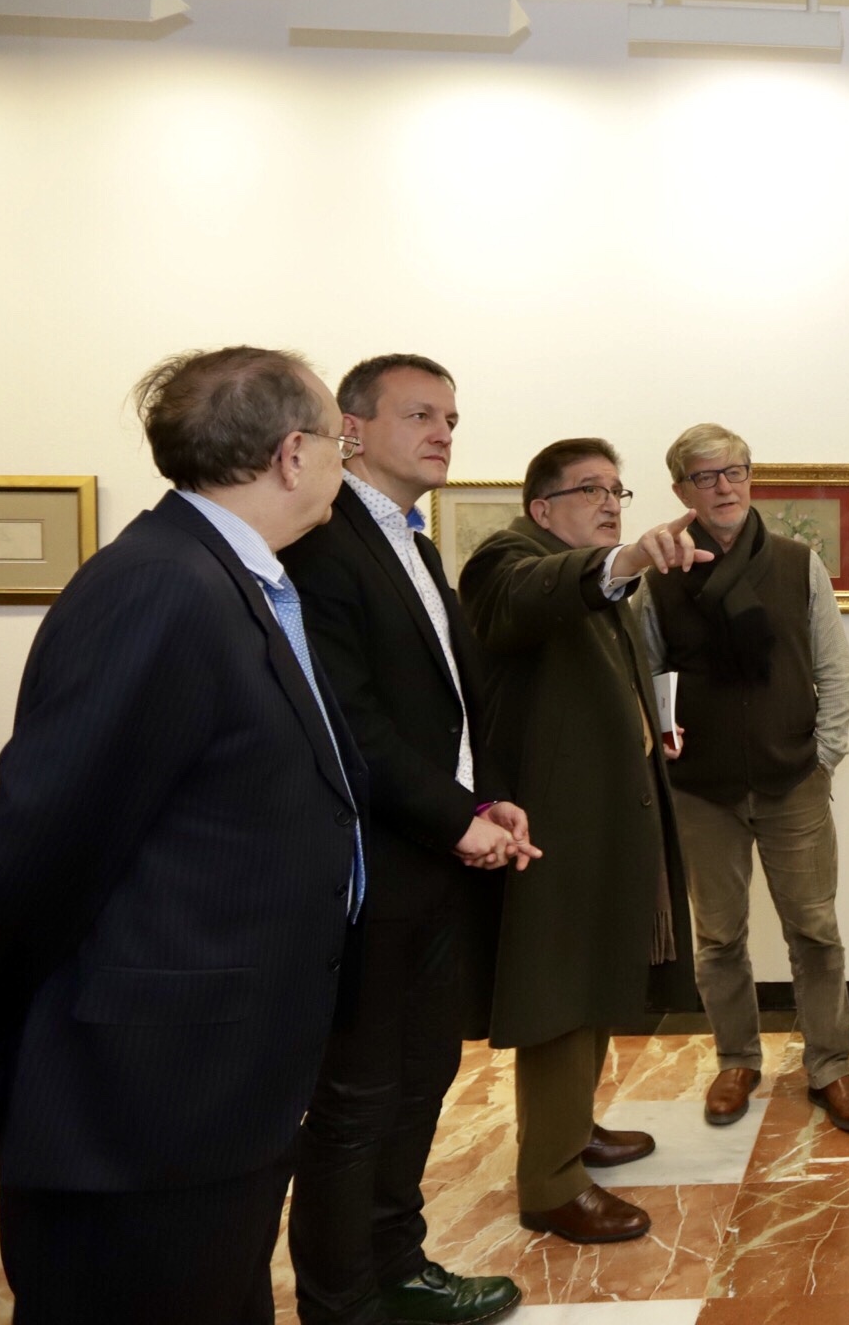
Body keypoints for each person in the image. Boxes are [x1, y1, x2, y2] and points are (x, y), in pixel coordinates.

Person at [0, 346, 364, 1323]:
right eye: (343, 439)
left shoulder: (228, 578)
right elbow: (42, 830)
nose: (348, 458)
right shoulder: (162, 584)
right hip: (146, 1091)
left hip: (213, 1078)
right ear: (293, 454)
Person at [284, 354, 536, 1325]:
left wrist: (493, 798)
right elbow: (352, 723)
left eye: (452, 419)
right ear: (350, 429)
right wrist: (453, 817)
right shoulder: (324, 543)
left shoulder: (416, 546)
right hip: (374, 867)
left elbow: (456, 705)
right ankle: (342, 1300)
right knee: (357, 1095)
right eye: (421, 414)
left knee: (423, 1075)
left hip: (437, 861)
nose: (443, 434)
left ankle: (400, 1262)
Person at [460, 439, 708, 1245]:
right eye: (590, 490)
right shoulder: (507, 560)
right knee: (559, 998)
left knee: (596, 978)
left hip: (605, 816)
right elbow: (531, 597)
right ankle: (551, 1183)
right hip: (550, 829)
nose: (610, 504)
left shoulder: (601, 580)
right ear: (541, 507)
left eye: (617, 491)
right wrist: (624, 560)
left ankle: (573, 1129)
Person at [646, 424, 849, 1133]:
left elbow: (835, 671)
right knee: (719, 937)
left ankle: (830, 1065)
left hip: (792, 781)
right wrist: (661, 743)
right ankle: (737, 1059)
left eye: (735, 471)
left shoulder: (796, 563)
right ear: (681, 489)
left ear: (750, 477)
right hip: (700, 791)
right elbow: (647, 674)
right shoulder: (658, 577)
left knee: (815, 931)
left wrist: (824, 758)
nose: (724, 486)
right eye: (705, 476)